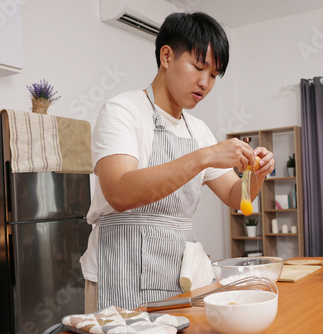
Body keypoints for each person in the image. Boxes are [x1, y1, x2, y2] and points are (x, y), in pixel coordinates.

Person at [80, 11, 275, 312]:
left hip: (179, 277)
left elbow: (237, 197)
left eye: (213, 75)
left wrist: (257, 174)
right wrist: (206, 156)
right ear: (167, 57)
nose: (205, 83)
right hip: (118, 272)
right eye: (199, 67)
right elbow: (119, 193)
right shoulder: (123, 111)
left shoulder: (197, 130)